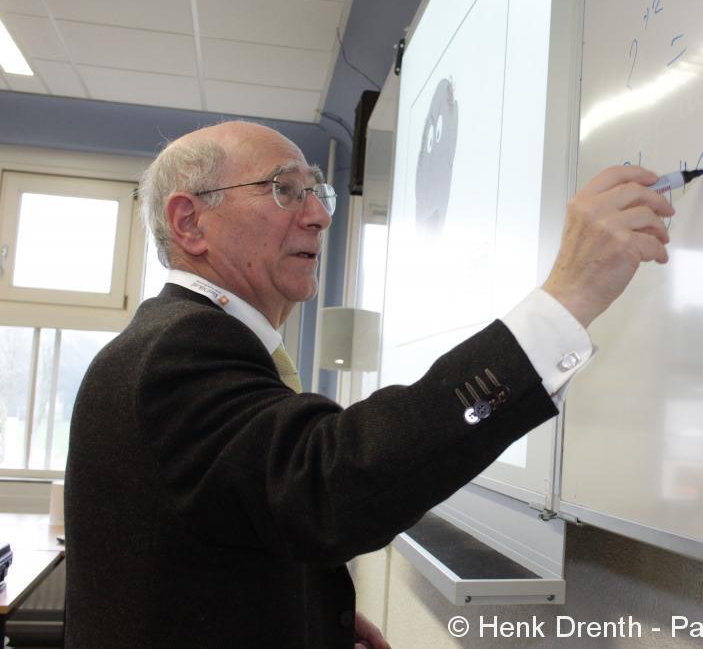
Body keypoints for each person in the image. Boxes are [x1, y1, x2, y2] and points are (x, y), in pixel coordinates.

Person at [64, 121, 672, 648]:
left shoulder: (175, 341)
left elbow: (241, 515)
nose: (320, 215)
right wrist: (568, 298)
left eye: (315, 191)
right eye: (284, 189)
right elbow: (330, 484)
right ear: (190, 221)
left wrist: (306, 615)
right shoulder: (178, 349)